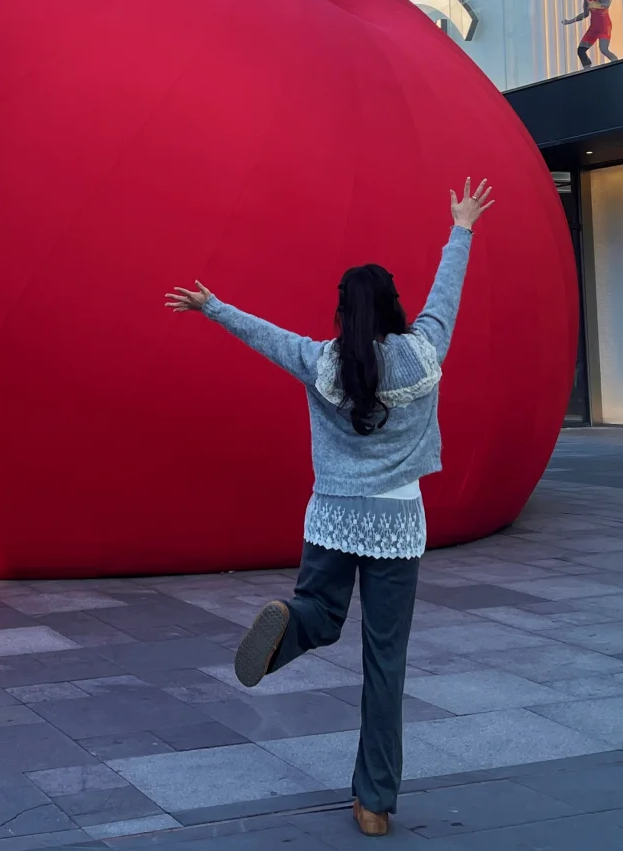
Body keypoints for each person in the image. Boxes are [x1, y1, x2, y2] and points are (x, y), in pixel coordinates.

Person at [166, 180, 494, 838]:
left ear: (343, 313)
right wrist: (462, 228)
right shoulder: (425, 352)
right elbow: (446, 296)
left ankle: (292, 624)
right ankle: (374, 803)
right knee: (385, 661)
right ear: (394, 306)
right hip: (398, 524)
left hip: (336, 516)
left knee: (323, 610)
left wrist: (214, 308)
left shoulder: (324, 362)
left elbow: (270, 337)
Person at [562, 0, 618, 69]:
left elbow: (606, 4)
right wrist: (569, 21)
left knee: (604, 49)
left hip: (604, 25)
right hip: (593, 27)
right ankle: (588, 70)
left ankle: (617, 64)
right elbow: (585, 14)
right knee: (581, 50)